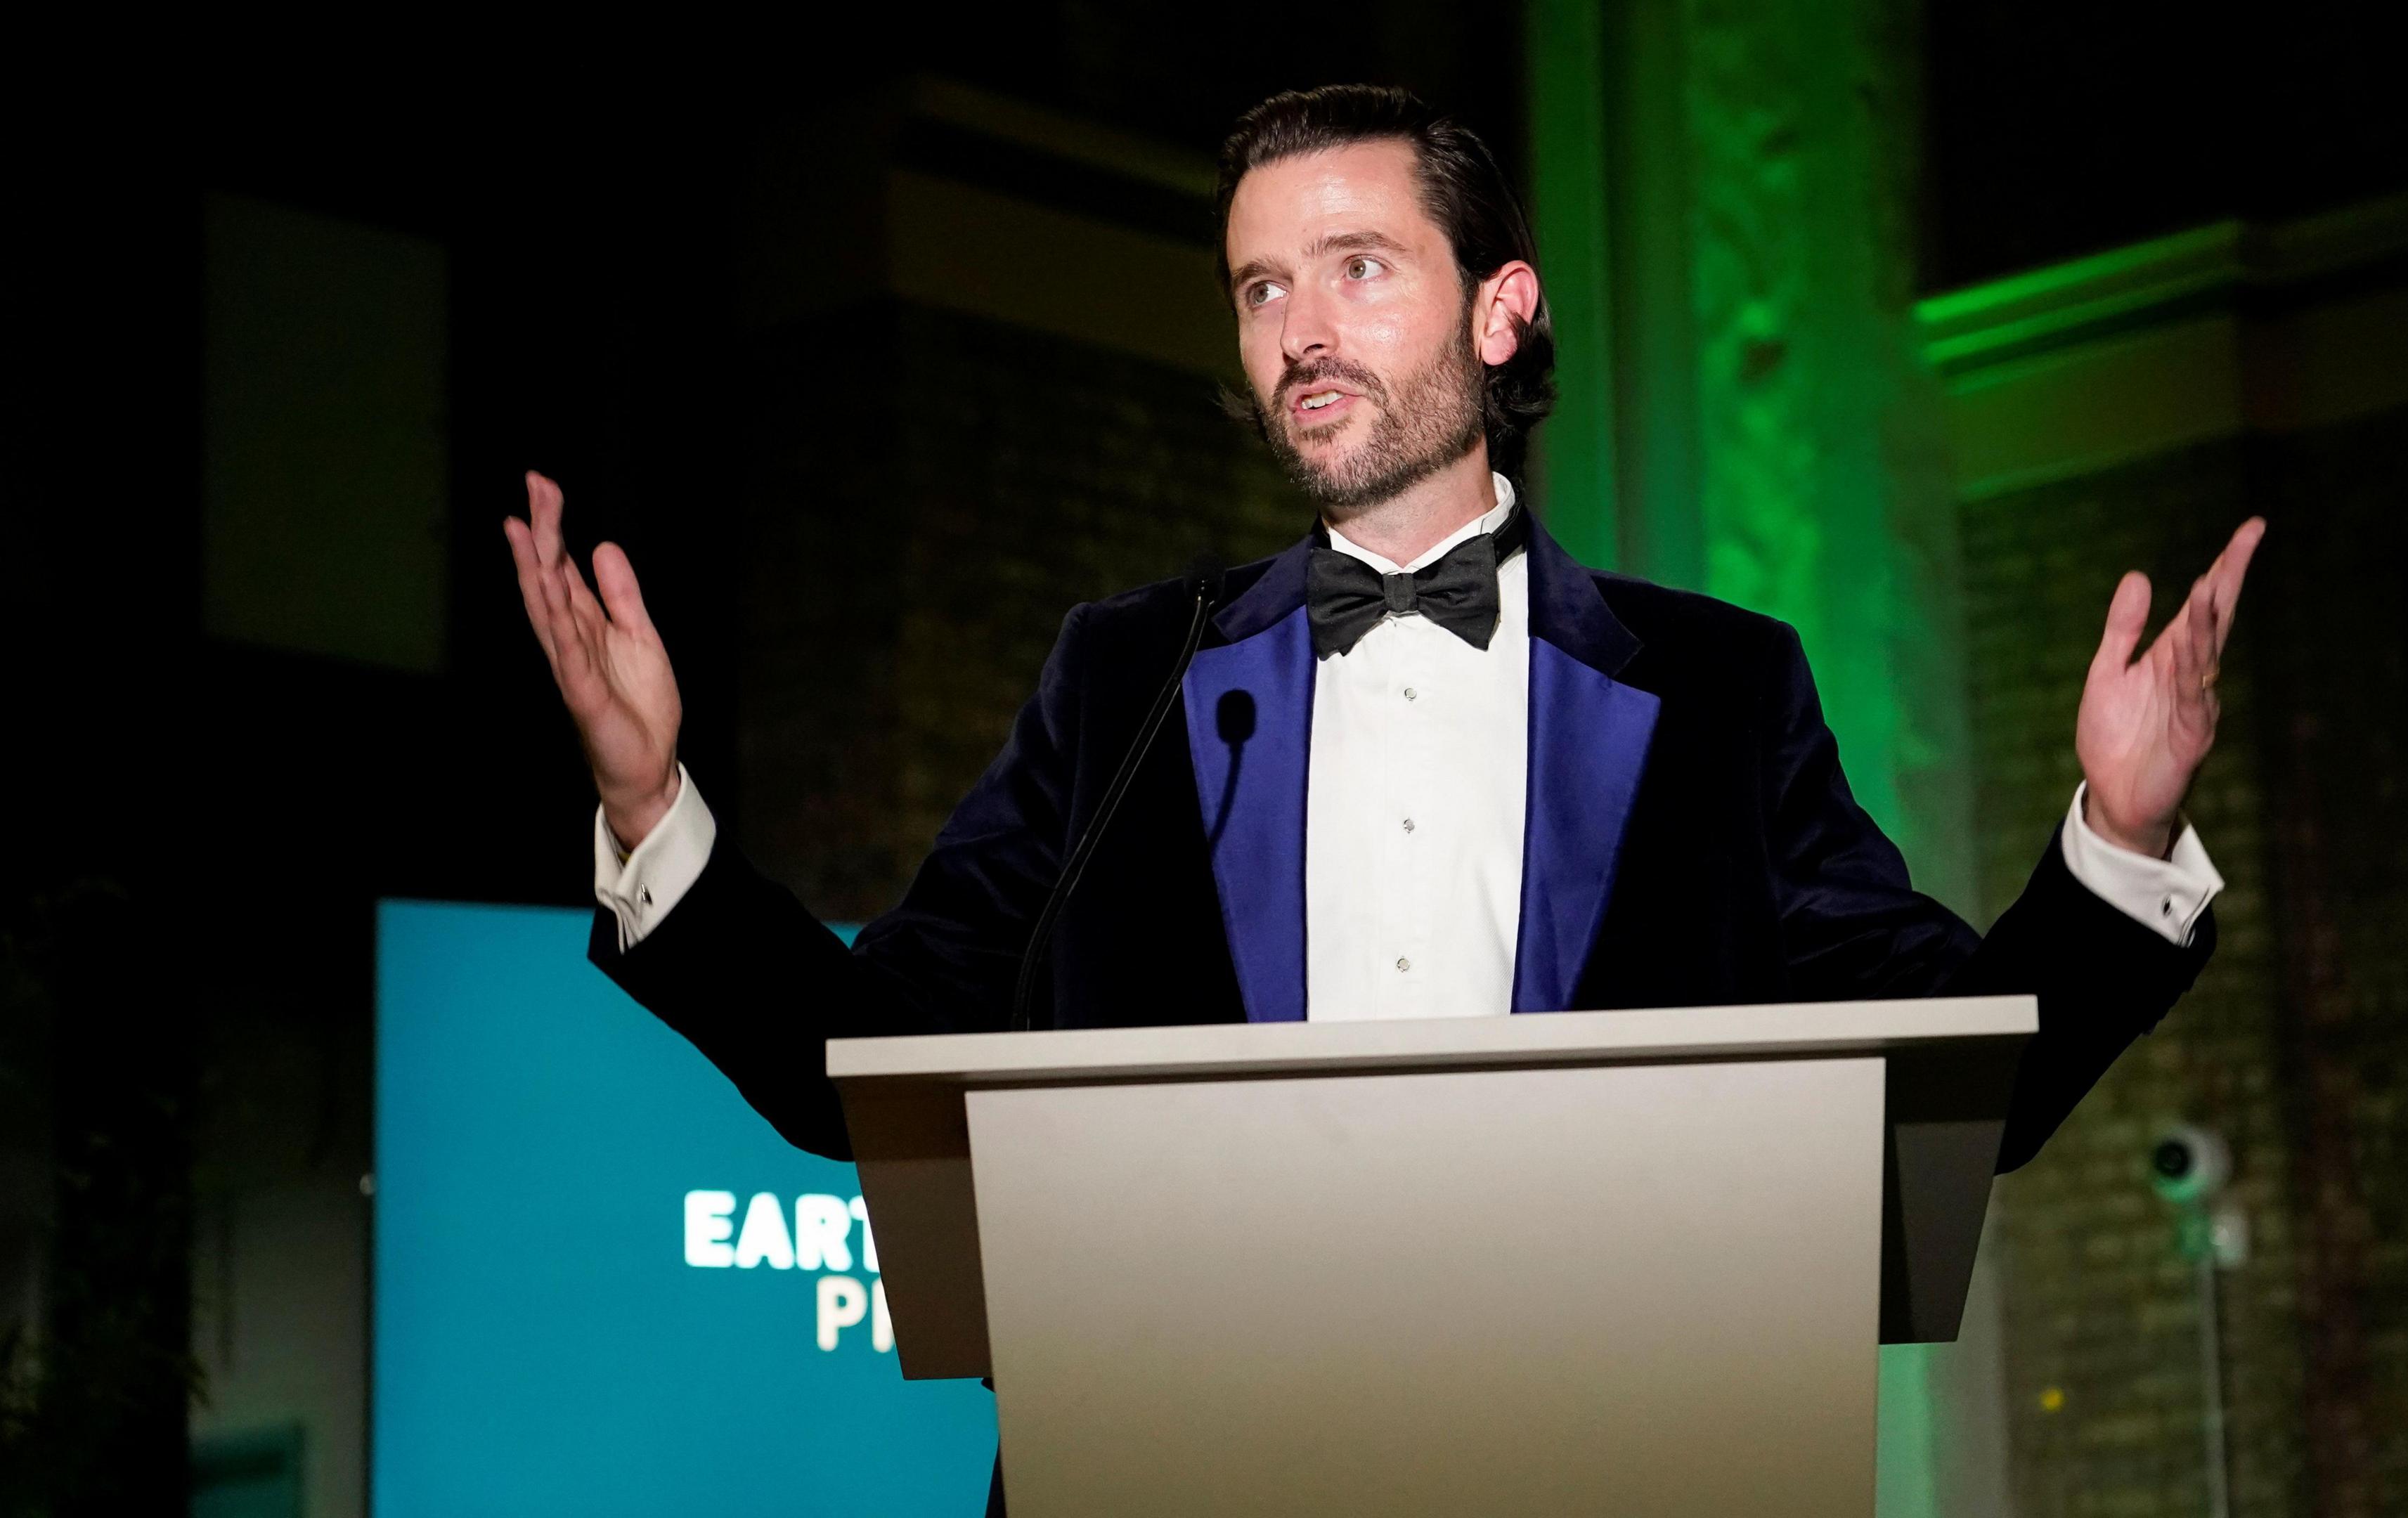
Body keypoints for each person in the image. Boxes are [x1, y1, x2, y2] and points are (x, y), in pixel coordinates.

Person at [504, 84, 2260, 1512]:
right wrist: (657, 808)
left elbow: (1966, 1079)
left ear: (1504, 309)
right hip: (1172, 1466)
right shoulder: (1125, 683)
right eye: (1262, 287)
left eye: (1357, 268)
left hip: (1607, 1469)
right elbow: (868, 1061)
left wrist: (2110, 843)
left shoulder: (1720, 694)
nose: (1299, 332)